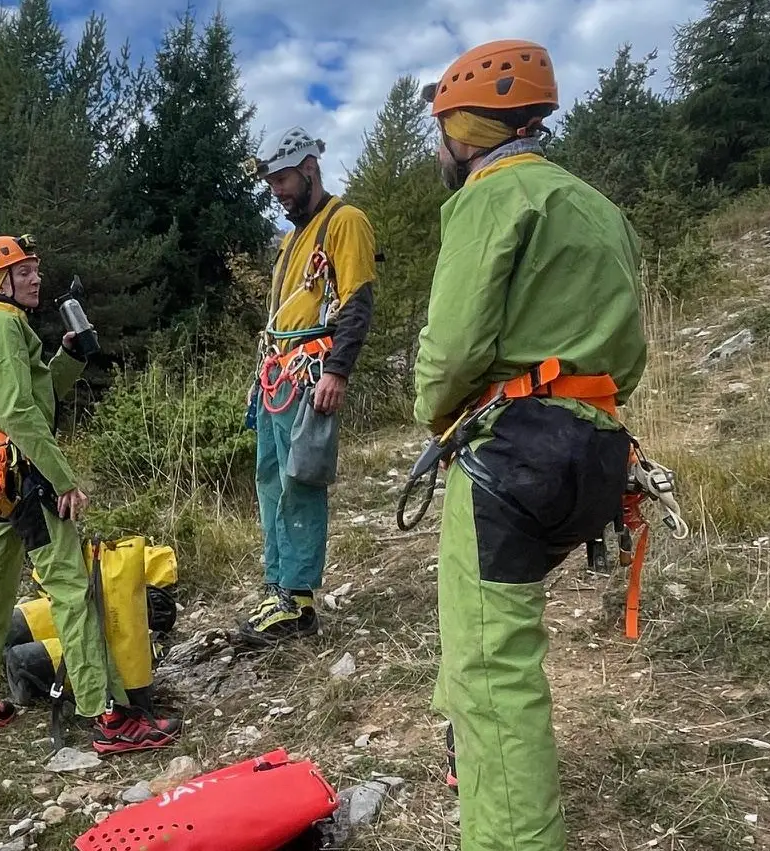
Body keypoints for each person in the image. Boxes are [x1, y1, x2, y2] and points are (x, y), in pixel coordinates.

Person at [415, 39, 648, 851]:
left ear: (465, 133)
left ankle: (511, 832)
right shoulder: (593, 204)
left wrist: (431, 412)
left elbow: (451, 349)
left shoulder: (489, 197)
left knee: (490, 670)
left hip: (508, 454)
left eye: (441, 131)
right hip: (595, 444)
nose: (440, 148)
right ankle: (472, 764)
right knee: (489, 649)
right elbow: (631, 355)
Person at [0, 234, 181, 754]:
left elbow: (35, 395)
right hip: (27, 474)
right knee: (72, 592)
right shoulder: (5, 325)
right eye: (25, 271)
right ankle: (107, 715)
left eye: (35, 269)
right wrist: (62, 479)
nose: (36, 278)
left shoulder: (1, 326)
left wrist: (68, 356)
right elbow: (19, 412)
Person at [237, 127, 378, 648]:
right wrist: (261, 375)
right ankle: (279, 587)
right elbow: (283, 312)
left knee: (300, 479)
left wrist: (339, 371)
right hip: (278, 372)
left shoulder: (346, 223)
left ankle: (297, 602)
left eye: (283, 179)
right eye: (271, 182)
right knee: (271, 478)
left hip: (312, 371)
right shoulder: (293, 238)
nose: (277, 191)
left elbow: (357, 301)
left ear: (310, 168)